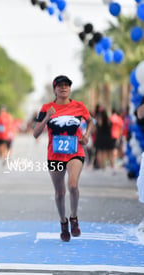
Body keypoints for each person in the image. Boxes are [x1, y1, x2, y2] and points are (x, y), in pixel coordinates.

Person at [33, 75, 93, 242]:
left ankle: (74, 217)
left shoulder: (79, 106)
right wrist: (46, 117)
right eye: (60, 86)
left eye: (66, 85)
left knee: (72, 184)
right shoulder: (46, 107)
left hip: (75, 151)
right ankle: (63, 222)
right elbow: (35, 133)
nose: (63, 88)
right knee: (60, 192)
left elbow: (90, 121)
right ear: (55, 89)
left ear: (70, 88)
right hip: (55, 155)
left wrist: (87, 135)